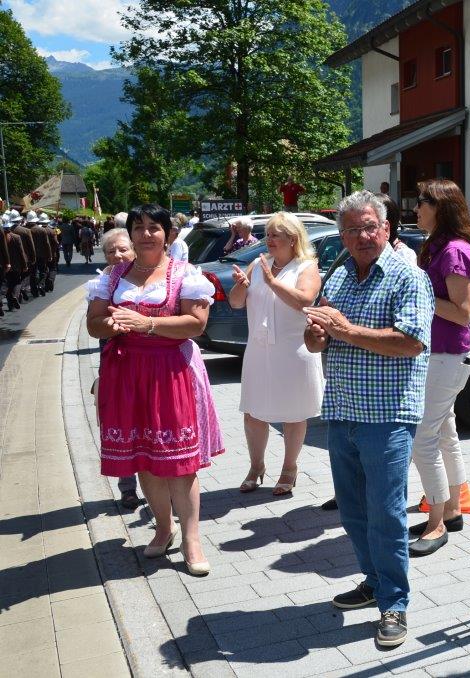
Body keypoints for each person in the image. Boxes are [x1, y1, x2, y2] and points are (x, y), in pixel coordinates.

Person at [303, 190, 433, 648]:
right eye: (352, 229)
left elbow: (411, 341)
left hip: (388, 415)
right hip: (342, 411)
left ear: (386, 228)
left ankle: (394, 603)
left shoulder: (408, 276)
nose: (361, 236)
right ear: (341, 235)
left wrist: (346, 330)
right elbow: (317, 342)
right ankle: (374, 581)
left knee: (386, 513)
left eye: (369, 227)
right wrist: (318, 334)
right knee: (354, 510)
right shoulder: (338, 275)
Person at [85, 203, 224, 577]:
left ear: (168, 234)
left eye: (154, 227)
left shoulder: (185, 274)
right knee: (143, 457)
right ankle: (164, 527)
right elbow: (93, 324)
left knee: (180, 462)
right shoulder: (112, 277)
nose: (146, 234)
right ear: (130, 233)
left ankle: (192, 539)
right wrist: (113, 325)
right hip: (126, 373)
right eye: (139, 227)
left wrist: (145, 323)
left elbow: (195, 324)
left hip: (170, 371)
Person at [405, 179, 470, 557]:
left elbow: (463, 313)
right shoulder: (441, 246)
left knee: (422, 440)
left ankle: (437, 522)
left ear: (440, 207)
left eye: (422, 201)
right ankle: (452, 510)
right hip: (441, 356)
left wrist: (422, 291)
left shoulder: (453, 251)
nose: (415, 208)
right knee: (443, 435)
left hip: (447, 357)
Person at [229, 212, 324, 495]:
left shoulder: (306, 266)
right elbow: (236, 303)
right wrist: (240, 286)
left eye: (275, 235)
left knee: (293, 414)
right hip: (259, 351)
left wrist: (273, 282)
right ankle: (256, 466)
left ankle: (289, 468)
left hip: (293, 352)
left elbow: (304, 300)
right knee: (253, 413)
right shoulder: (257, 264)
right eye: (268, 234)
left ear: (292, 239)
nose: (269, 240)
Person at [93, 228, 142, 510]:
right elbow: (94, 324)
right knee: (121, 421)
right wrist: (110, 326)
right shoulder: (103, 282)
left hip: (150, 363)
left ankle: (163, 483)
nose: (118, 255)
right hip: (116, 361)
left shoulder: (149, 276)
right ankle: (127, 488)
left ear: (134, 249)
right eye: (111, 251)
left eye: (123, 249)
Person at [28, 211, 52, 298]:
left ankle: (34, 290)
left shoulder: (26, 230)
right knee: (43, 271)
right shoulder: (42, 230)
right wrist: (49, 255)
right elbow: (47, 244)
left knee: (32, 273)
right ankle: (41, 285)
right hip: (42, 254)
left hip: (30, 255)